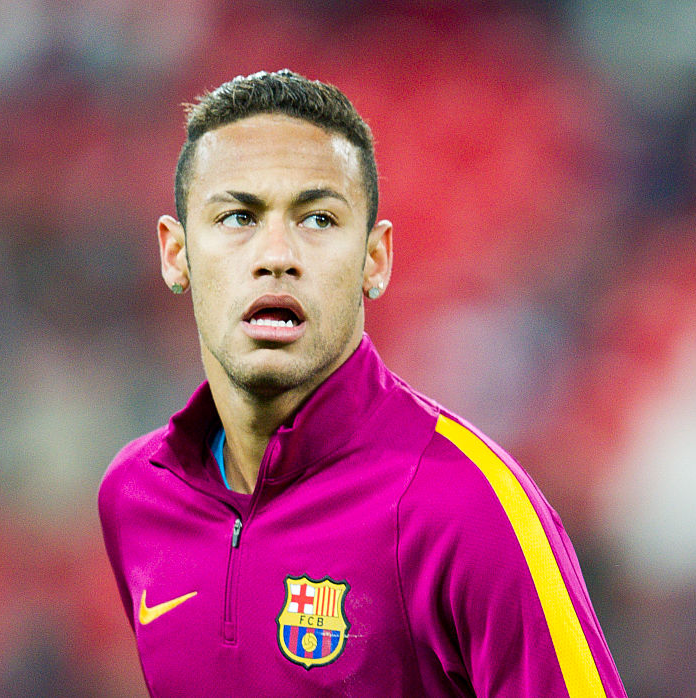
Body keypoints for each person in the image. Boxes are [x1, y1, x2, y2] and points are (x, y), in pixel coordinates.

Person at [98, 69, 627, 697]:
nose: (276, 255)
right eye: (238, 216)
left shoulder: (468, 508)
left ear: (375, 259)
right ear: (175, 253)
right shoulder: (136, 497)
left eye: (318, 219)